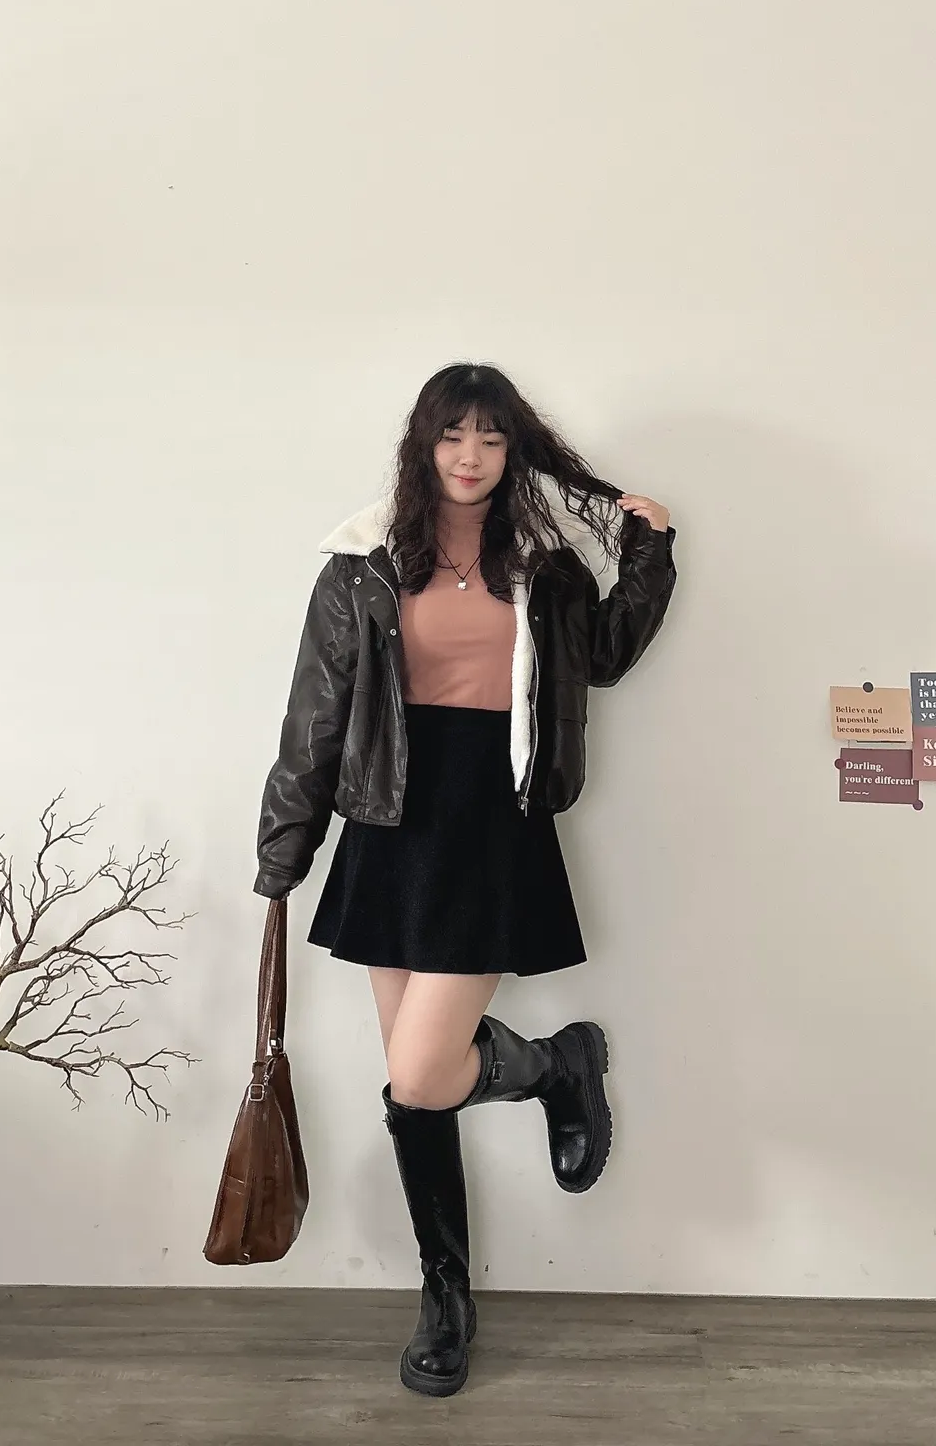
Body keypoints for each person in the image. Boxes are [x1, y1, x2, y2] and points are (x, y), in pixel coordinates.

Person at [253, 361, 677, 1397]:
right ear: (424, 442)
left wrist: (649, 554)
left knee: (418, 1072)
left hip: (493, 819)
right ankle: (446, 1294)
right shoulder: (362, 563)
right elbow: (314, 719)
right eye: (454, 434)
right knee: (417, 1088)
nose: (471, 455)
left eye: (491, 437)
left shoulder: (543, 564)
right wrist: (282, 853)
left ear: (513, 449)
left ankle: (557, 1067)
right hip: (391, 821)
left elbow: (604, 657)